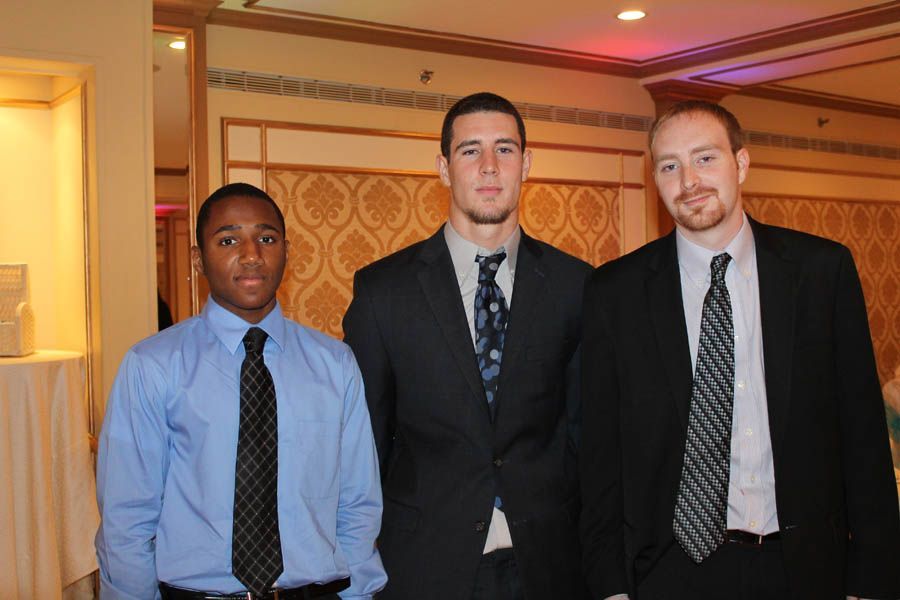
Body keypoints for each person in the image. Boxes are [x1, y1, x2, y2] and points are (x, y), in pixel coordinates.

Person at [579, 100, 900, 600]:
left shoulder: (821, 272)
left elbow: (863, 436)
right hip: (672, 572)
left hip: (806, 569)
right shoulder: (614, 292)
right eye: (670, 166)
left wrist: (873, 578)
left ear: (741, 163)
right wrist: (610, 587)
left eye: (705, 158)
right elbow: (600, 454)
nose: (689, 180)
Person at [343, 92, 591, 599]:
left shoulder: (576, 285)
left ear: (527, 163)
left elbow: (587, 437)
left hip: (552, 567)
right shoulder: (383, 292)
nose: (489, 167)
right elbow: (364, 445)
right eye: (469, 150)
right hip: (424, 570)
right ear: (443, 167)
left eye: (505, 149)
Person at [96, 183, 386, 600]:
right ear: (198, 259)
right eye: (228, 240)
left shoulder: (335, 364)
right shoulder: (153, 366)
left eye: (266, 239)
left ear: (287, 250)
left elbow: (358, 504)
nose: (251, 255)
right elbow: (127, 520)